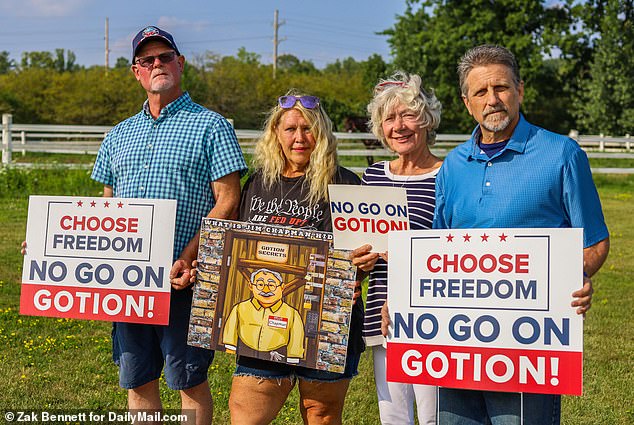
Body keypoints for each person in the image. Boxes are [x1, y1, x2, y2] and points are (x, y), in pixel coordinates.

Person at [432, 44, 610, 424]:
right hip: (457, 346)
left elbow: (594, 240)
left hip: (529, 346)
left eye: (501, 88)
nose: (492, 100)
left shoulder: (562, 154)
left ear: (520, 91)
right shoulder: (453, 166)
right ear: (467, 102)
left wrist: (575, 277)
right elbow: (436, 250)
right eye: (480, 92)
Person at [90, 25, 247, 424]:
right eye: (148, 60)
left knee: (188, 379)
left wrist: (188, 256)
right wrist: (53, 243)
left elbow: (228, 200)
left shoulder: (213, 126)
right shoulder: (118, 134)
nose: (157, 64)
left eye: (164, 57)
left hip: (184, 278)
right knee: (137, 380)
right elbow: (106, 206)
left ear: (180, 64)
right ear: (136, 72)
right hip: (128, 279)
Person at [229, 91, 364, 425]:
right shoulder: (258, 183)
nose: (300, 138)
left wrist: (362, 264)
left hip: (330, 321)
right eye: (290, 129)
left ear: (323, 133)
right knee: (245, 414)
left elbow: (365, 252)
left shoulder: (346, 184)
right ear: (276, 132)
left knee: (321, 414)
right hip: (260, 320)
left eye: (308, 128)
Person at [350, 72, 441, 425]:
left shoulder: (447, 176)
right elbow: (357, 249)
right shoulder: (373, 177)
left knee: (435, 417)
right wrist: (358, 260)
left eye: (408, 115)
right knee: (394, 418)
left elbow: (456, 249)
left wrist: (407, 261)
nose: (399, 126)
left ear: (427, 120)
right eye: (389, 118)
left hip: (432, 317)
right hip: (381, 316)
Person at [223, 268, 306, 362]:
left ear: (282, 287)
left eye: (271, 285)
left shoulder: (292, 314)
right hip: (244, 356)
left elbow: (295, 350)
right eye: (260, 285)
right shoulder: (239, 309)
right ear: (251, 286)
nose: (266, 290)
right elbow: (230, 343)